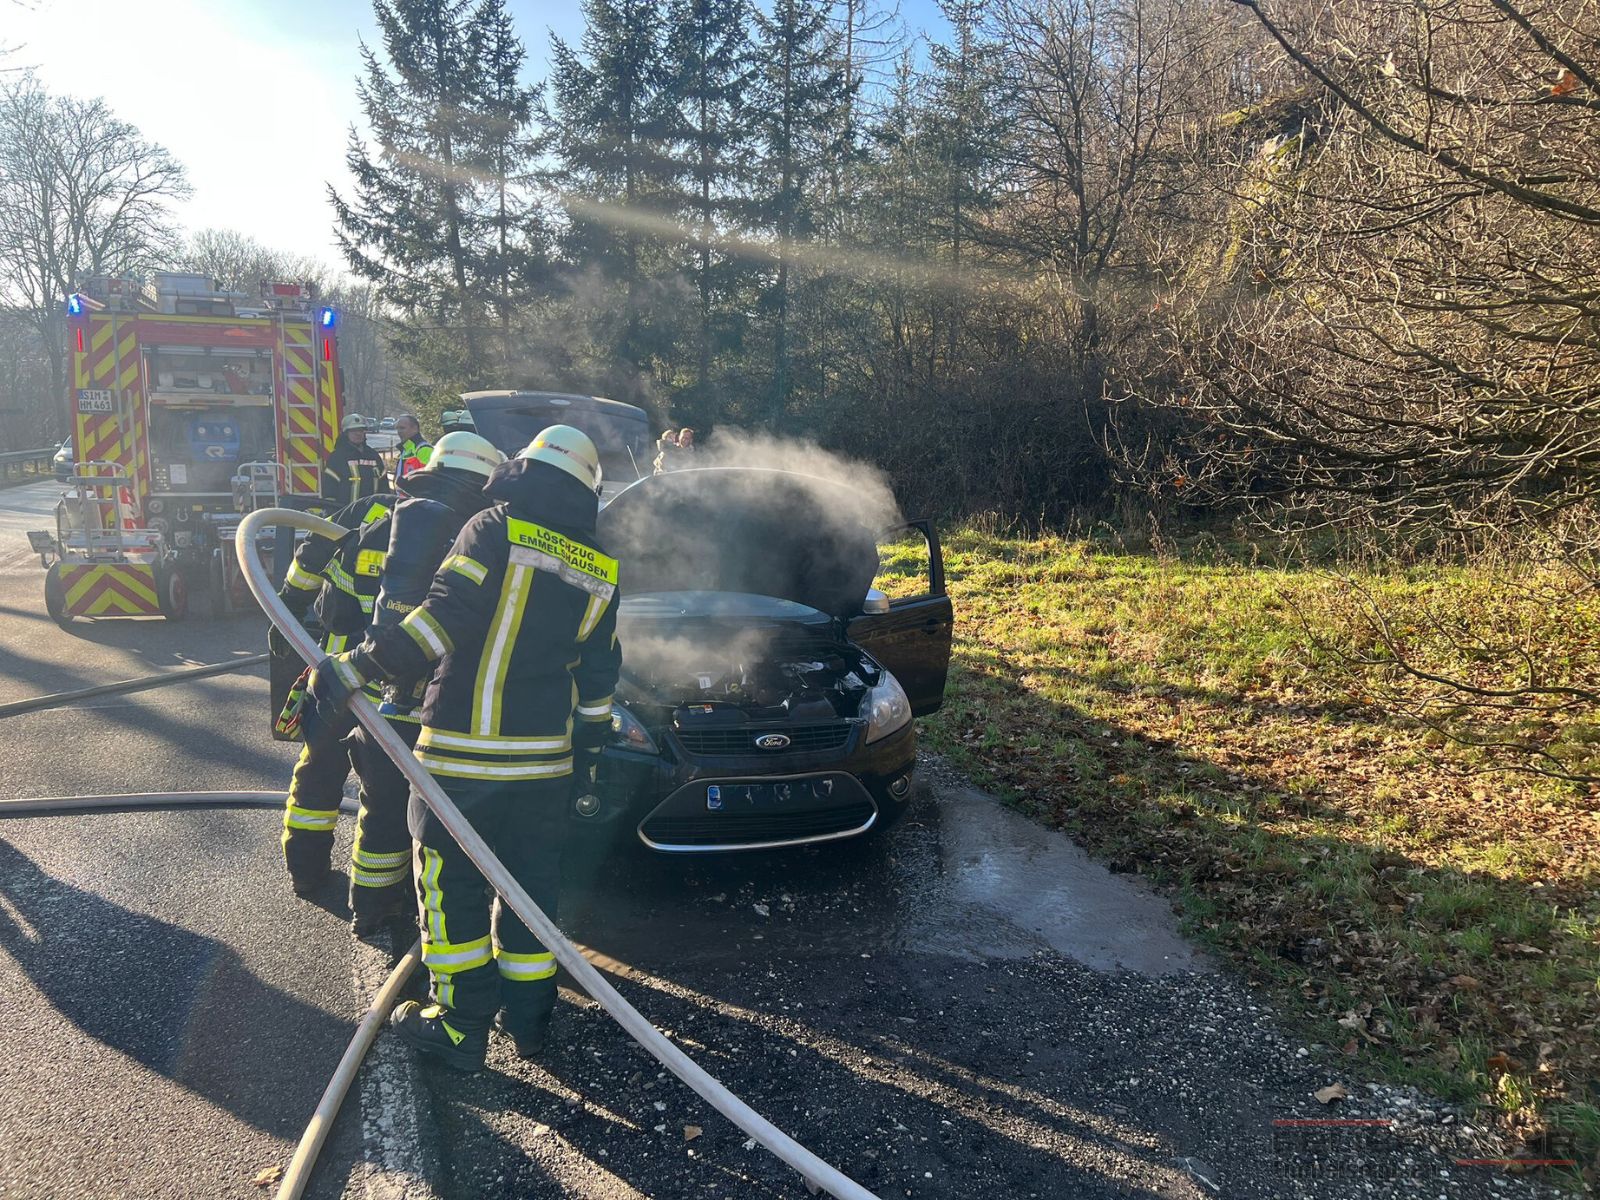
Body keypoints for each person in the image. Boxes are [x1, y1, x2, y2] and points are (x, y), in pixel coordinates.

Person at [299, 425, 620, 1071]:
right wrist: (588, 757)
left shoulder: (492, 527)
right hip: (546, 764)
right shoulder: (601, 565)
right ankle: (529, 1022)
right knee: (531, 891)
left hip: (460, 756)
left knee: (452, 890)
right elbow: (598, 679)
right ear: (587, 488)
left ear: (524, 467)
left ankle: (460, 1025)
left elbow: (442, 619)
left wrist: (354, 667)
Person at [344, 431, 506, 937]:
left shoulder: (399, 518)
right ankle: (423, 920)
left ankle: (371, 910)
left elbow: (356, 601)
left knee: (381, 811)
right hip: (435, 703)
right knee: (433, 825)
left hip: (382, 695)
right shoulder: (473, 529)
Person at [271, 490, 396, 895]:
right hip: (393, 686)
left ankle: (305, 871)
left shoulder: (369, 508)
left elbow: (311, 554)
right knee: (386, 789)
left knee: (318, 772)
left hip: (333, 674)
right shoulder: (461, 522)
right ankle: (378, 896)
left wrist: (289, 606)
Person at [323, 414, 384, 507]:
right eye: (353, 430)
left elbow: (384, 488)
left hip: (371, 513)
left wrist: (380, 512)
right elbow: (329, 488)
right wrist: (333, 510)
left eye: (361, 430)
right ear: (345, 433)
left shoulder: (373, 455)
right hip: (344, 511)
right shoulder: (337, 457)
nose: (358, 433)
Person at [393, 414, 433, 487]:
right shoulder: (406, 448)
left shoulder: (424, 449)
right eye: (397, 428)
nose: (399, 431)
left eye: (402, 428)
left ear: (415, 429)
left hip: (416, 494)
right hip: (404, 494)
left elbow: (427, 480)